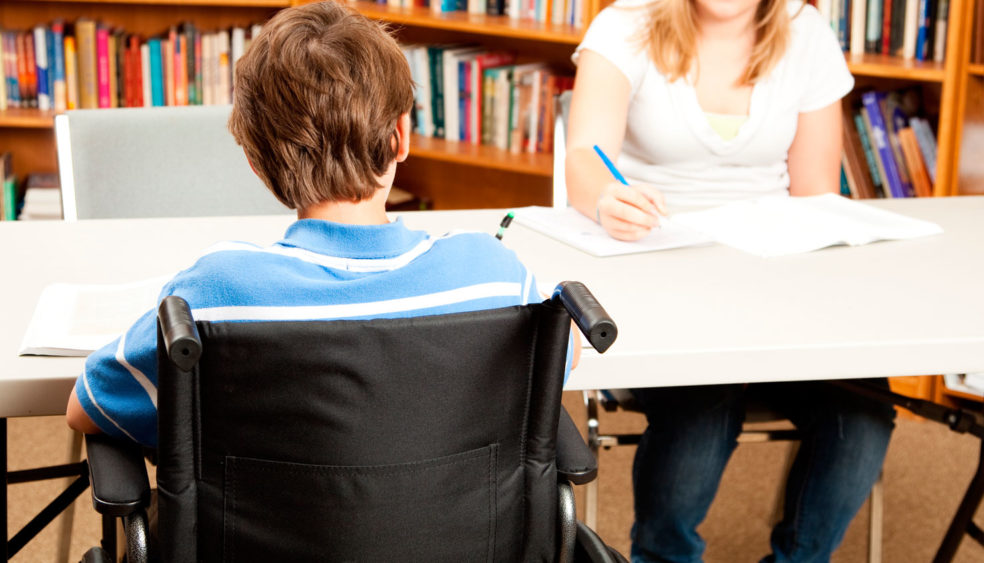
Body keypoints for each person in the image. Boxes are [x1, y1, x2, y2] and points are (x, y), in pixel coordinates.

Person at [66, 0, 577, 446]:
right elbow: (563, 356)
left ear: (255, 160)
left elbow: (86, 408)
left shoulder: (212, 295)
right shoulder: (495, 275)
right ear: (402, 135)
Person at [565, 0, 896, 561]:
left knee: (862, 412)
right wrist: (606, 198)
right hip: (662, 283)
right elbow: (583, 158)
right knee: (703, 407)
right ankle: (662, 555)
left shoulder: (807, 34)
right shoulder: (625, 25)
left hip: (778, 288)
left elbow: (816, 194)